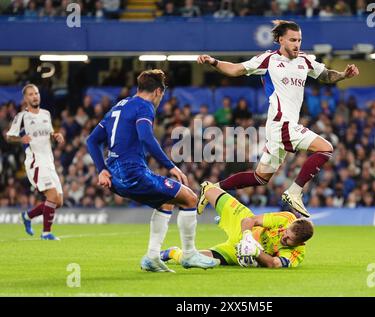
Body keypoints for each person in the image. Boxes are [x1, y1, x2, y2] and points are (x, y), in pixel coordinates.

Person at [196, 20, 359, 217]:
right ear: (281, 40)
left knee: (260, 177)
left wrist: (343, 74)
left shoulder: (305, 61)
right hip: (282, 123)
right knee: (326, 147)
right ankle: (295, 192)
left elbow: (325, 75)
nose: (296, 44)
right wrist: (214, 62)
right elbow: (236, 69)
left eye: (299, 40)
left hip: (281, 127)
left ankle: (211, 188)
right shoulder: (268, 60)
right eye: (292, 40)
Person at [86, 69, 219, 273]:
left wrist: (102, 170)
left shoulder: (118, 106)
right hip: (131, 172)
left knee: (165, 202)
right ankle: (190, 254)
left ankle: (152, 257)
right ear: (158, 91)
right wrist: (171, 166)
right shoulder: (145, 106)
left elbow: (92, 140)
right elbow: (146, 137)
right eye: (162, 95)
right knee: (190, 198)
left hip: (114, 174)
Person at [161, 181, 314, 268]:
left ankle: (172, 252)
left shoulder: (297, 254)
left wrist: (254, 251)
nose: (284, 238)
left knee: (193, 259)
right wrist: (248, 238)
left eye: (288, 240)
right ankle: (208, 191)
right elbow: (250, 221)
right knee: (210, 190)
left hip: (239, 252)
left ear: (301, 243)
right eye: (285, 233)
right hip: (244, 226)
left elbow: (274, 264)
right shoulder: (286, 218)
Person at [6, 84, 65, 240]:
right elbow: (9, 136)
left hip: (49, 160)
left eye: (36, 93)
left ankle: (27, 216)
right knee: (52, 196)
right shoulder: (21, 117)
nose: (35, 96)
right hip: (36, 161)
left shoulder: (46, 114)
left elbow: (49, 132)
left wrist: (55, 136)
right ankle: (46, 233)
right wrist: (20, 138)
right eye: (31, 94)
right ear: (26, 98)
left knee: (58, 201)